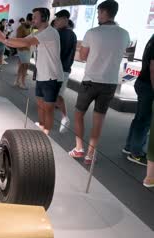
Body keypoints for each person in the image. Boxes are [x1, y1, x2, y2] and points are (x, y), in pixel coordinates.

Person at [69, 0, 130, 164]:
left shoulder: (92, 32)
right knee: (99, 119)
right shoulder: (124, 33)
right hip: (110, 83)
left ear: (104, 12)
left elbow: (82, 56)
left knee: (78, 114)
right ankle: (90, 155)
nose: (97, 15)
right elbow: (123, 50)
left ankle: (79, 148)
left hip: (90, 80)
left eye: (98, 12)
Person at [0, 7, 64, 135]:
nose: (32, 19)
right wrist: (4, 40)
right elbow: (22, 42)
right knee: (40, 103)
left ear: (44, 18)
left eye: (35, 17)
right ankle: (42, 126)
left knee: (48, 107)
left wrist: (5, 39)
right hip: (42, 75)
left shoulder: (50, 32)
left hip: (52, 76)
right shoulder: (38, 32)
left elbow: (26, 42)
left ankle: (46, 132)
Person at [123, 34, 154, 166]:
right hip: (148, 85)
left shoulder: (152, 38)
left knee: (140, 118)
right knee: (144, 120)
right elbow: (153, 67)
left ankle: (130, 147)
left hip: (144, 82)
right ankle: (136, 153)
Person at [53, 10, 77, 133]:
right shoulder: (70, 34)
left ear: (65, 20)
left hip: (58, 69)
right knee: (56, 94)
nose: (56, 21)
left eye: (58, 19)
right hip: (63, 68)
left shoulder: (64, 34)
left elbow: (58, 54)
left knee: (56, 95)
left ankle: (64, 118)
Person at [14, 13, 32, 89]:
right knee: (25, 66)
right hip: (22, 49)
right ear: (28, 20)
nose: (32, 22)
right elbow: (18, 39)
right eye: (32, 21)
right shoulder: (21, 28)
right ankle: (22, 83)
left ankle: (18, 81)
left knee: (22, 66)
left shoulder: (30, 27)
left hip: (28, 48)